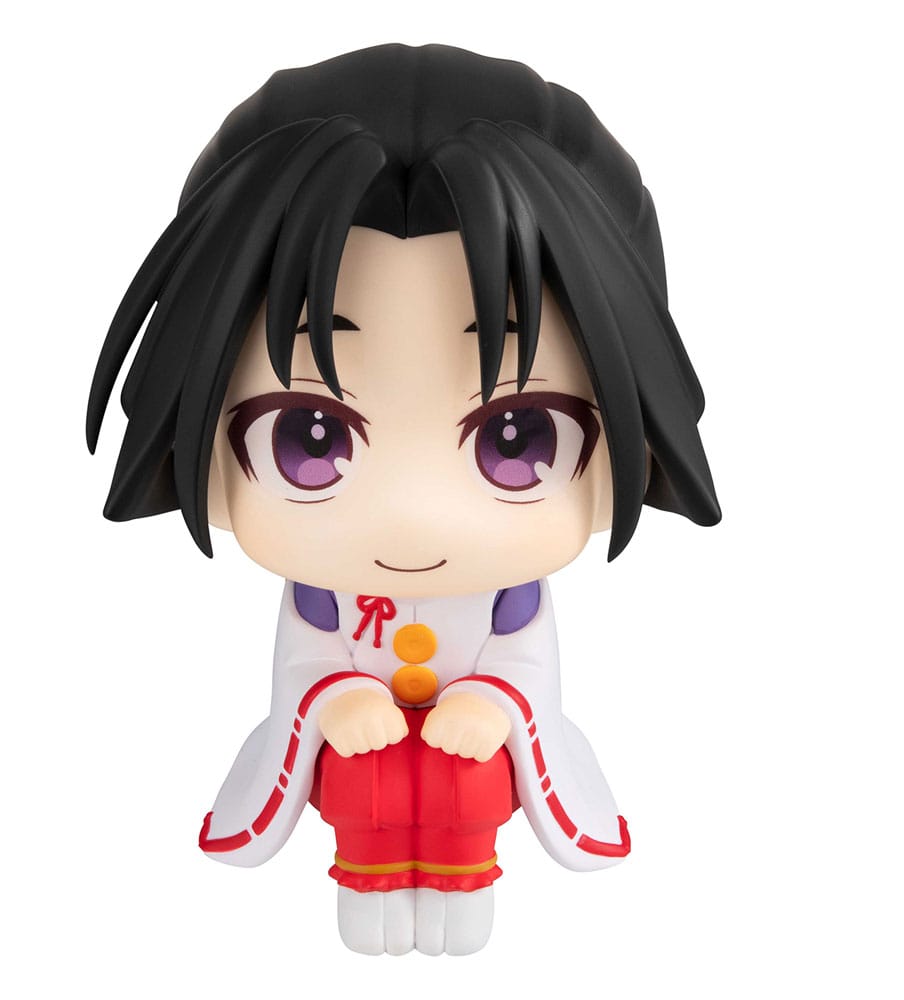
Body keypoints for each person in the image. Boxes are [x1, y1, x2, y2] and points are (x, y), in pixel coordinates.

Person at [87, 43, 720, 955]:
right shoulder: (319, 596)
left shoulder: (509, 600)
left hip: (475, 774)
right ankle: (369, 882)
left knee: (467, 790)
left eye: (518, 436)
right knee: (365, 787)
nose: (413, 511)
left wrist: (497, 706)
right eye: (310, 437)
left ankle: (462, 885)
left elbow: (529, 666)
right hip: (360, 780)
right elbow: (305, 663)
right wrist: (335, 698)